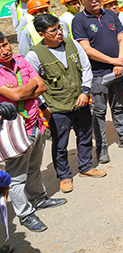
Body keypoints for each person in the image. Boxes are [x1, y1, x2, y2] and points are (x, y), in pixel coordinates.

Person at [25, 14, 106, 194]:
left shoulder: (73, 44)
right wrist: (44, 108)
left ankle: (85, 167)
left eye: (59, 27)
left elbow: (86, 67)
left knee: (85, 135)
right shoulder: (34, 55)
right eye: (53, 30)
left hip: (80, 102)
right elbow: (33, 84)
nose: (59, 32)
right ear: (42, 34)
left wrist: (85, 91)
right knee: (60, 144)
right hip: (57, 108)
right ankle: (64, 176)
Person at [0, 30, 66, 232]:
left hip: (35, 123)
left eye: (4, 44)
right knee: (16, 176)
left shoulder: (20, 59)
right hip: (15, 131)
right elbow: (18, 92)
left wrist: (21, 91)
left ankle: (38, 198)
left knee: (34, 166)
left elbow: (42, 86)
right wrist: (27, 87)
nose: (5, 50)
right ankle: (25, 214)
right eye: (0, 48)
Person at [72, 0, 123, 165]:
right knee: (99, 111)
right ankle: (102, 146)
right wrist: (114, 62)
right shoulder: (79, 20)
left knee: (118, 105)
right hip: (97, 74)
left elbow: (121, 38)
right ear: (82, 0)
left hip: (116, 71)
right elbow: (86, 49)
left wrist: (120, 61)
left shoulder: (110, 14)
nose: (94, 0)